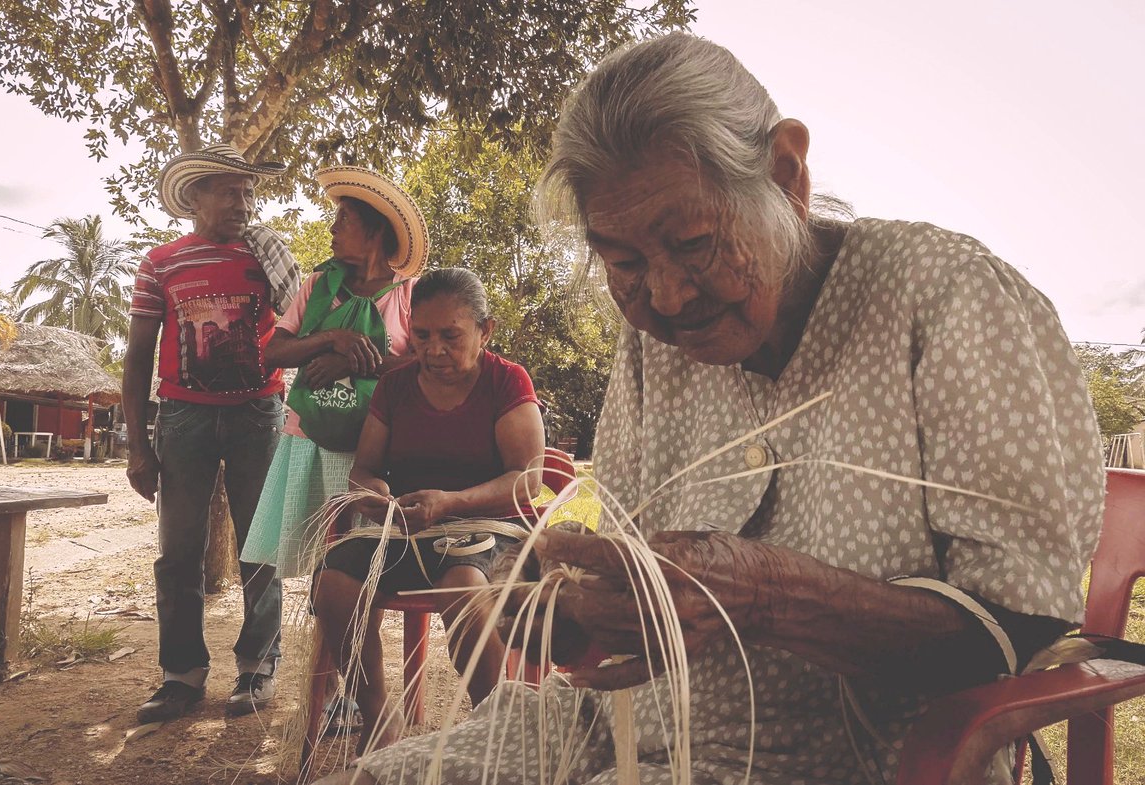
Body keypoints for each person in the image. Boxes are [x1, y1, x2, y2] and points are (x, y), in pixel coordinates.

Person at [326, 33, 1105, 785]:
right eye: (623, 262)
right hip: (621, 728)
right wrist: (556, 598)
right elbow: (630, 581)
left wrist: (767, 596)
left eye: (694, 243)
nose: (663, 297)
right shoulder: (654, 340)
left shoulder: (945, 299)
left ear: (787, 174)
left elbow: (1019, 629)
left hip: (846, 760)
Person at [311, 267, 547, 753]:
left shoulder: (506, 382)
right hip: (408, 529)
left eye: (450, 336)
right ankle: (376, 712)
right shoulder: (396, 386)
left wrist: (453, 502)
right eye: (421, 335)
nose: (433, 350)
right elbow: (366, 469)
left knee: (462, 586)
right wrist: (379, 497)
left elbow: (527, 479)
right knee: (332, 582)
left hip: (490, 529)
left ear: (486, 331)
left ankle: (495, 724)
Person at [123, 144, 299, 723]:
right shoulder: (161, 262)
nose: (242, 203)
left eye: (248, 193)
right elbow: (138, 355)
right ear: (195, 197)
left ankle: (257, 667)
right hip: (182, 417)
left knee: (262, 546)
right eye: (228, 191)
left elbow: (300, 320)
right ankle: (181, 676)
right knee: (178, 552)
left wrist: (286, 274)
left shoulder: (268, 256)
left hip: (259, 414)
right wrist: (137, 446)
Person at [240, 166, 428, 580]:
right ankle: (325, 636)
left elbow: (425, 361)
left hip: (375, 452)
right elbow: (273, 352)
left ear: (375, 231)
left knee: (365, 568)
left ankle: (351, 638)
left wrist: (353, 363)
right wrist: (333, 338)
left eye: (344, 219)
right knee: (319, 562)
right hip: (311, 441)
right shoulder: (319, 284)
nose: (332, 228)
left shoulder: (409, 292)